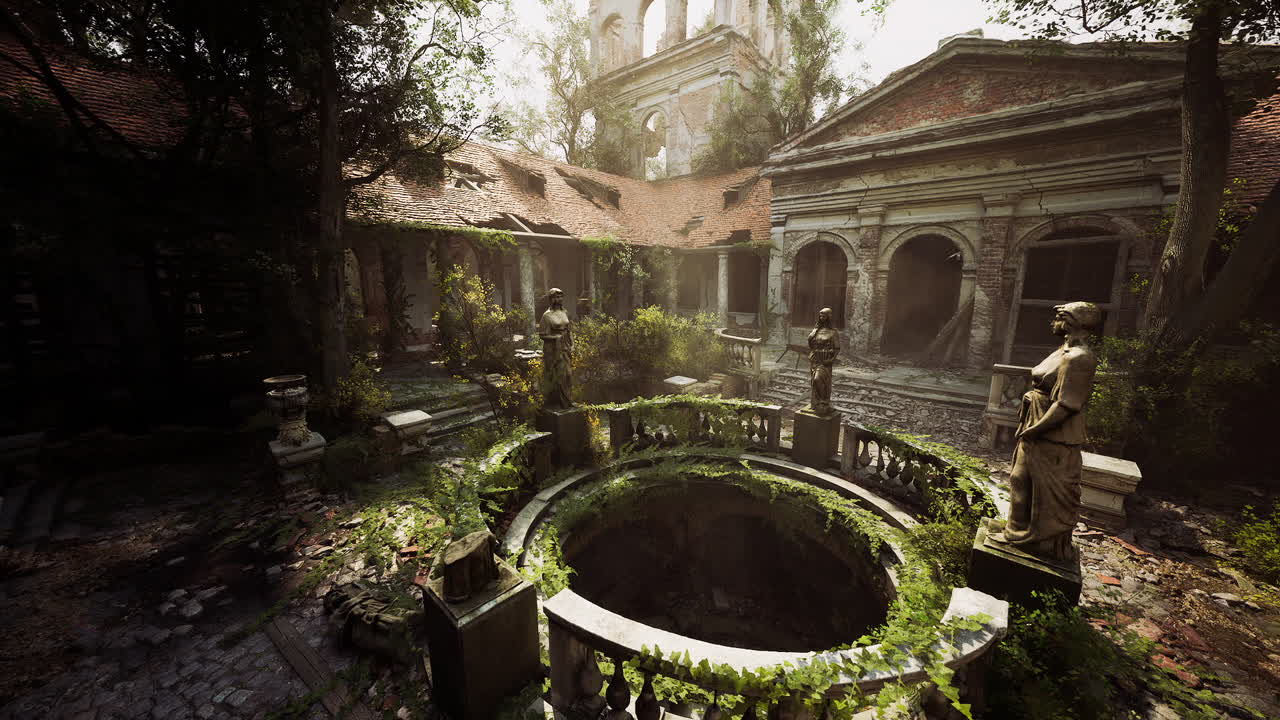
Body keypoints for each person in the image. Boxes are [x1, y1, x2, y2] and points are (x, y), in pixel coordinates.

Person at [990, 301, 1100, 562]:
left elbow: (1067, 404)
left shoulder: (1079, 358)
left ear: (1070, 322)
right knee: (1019, 478)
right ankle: (1016, 530)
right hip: (1036, 420)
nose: (1052, 322)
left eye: (1058, 317)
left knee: (1040, 484)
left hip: (1053, 431)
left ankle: (1037, 540)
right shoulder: (1063, 351)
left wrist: (1035, 429)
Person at [538, 288, 573, 410]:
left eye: (560, 297)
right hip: (552, 349)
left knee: (568, 374)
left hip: (565, 347)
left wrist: (572, 344)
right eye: (556, 297)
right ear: (551, 299)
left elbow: (569, 330)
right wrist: (555, 338)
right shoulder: (547, 316)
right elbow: (542, 334)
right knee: (558, 375)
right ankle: (559, 403)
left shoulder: (565, 312)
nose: (558, 299)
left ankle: (568, 399)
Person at [807, 307, 840, 416]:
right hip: (815, 359)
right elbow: (810, 344)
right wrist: (812, 334)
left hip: (825, 360)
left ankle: (824, 401)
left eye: (824, 315)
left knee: (818, 379)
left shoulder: (833, 332)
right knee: (814, 381)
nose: (821, 318)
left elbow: (836, 348)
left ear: (828, 317)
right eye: (820, 315)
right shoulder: (816, 330)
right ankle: (816, 402)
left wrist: (831, 359)